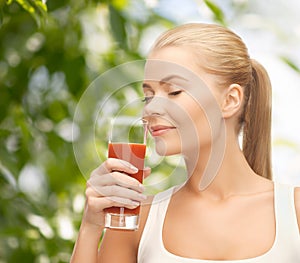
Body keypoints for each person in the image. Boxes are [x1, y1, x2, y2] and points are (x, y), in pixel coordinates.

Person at [71, 23, 300, 262]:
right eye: (148, 95)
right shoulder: (136, 220)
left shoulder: (294, 213)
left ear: (230, 100)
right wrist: (90, 227)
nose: (151, 108)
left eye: (174, 91)